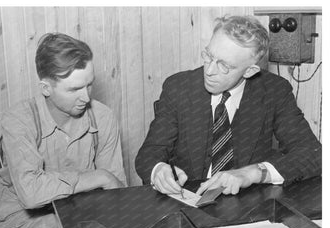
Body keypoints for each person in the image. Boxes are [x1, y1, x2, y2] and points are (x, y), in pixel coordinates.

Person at [135, 15, 321, 197]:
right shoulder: (178, 88)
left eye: (224, 66)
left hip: (248, 205)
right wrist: (157, 170)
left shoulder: (274, 91)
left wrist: (252, 173)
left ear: (249, 71)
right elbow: (149, 153)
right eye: (209, 56)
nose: (209, 71)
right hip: (186, 201)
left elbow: (313, 154)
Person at [0, 33, 126, 228]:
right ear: (46, 88)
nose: (86, 97)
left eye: (89, 84)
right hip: (26, 217)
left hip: (84, 211)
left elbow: (115, 193)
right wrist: (99, 177)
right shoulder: (18, 120)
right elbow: (31, 194)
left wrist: (63, 220)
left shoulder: (103, 117)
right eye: (74, 89)